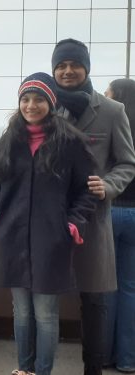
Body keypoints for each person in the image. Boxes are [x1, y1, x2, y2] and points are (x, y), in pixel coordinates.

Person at [0, 72, 97, 375]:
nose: (31, 105)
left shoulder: (70, 141)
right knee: (21, 312)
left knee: (46, 313)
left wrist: (72, 224)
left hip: (53, 239)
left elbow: (87, 190)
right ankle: (24, 369)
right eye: (25, 99)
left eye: (38, 99)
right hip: (13, 236)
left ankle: (43, 371)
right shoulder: (10, 139)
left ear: (51, 102)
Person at [51, 38, 135, 375]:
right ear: (54, 69)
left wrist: (109, 185)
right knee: (44, 299)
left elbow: (127, 163)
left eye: (75, 64)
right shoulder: (44, 107)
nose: (68, 71)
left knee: (96, 300)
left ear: (87, 68)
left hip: (95, 220)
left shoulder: (112, 112)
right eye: (61, 65)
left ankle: (94, 369)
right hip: (51, 220)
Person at [103, 78, 135, 374]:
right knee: (130, 288)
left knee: (106, 287)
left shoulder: (111, 124)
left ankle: (103, 356)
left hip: (110, 212)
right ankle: (127, 359)